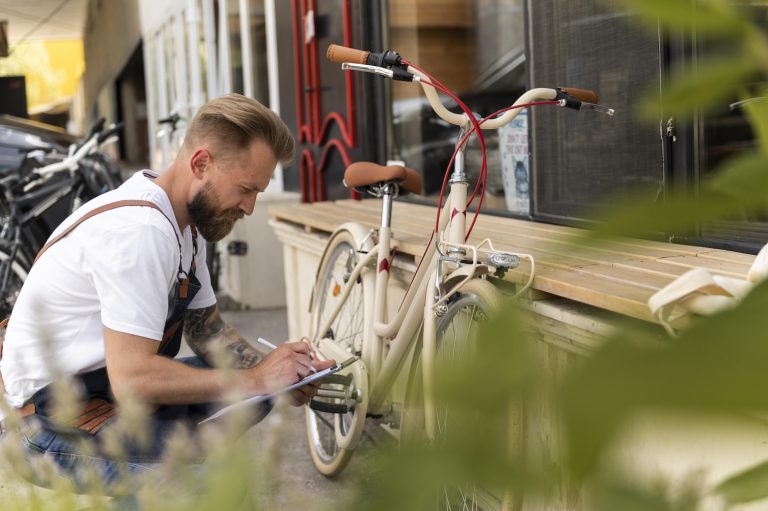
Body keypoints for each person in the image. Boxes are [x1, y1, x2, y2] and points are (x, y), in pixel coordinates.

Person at [0, 93, 335, 492]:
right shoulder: (140, 232)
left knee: (256, 393)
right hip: (47, 426)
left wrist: (280, 372)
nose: (249, 207)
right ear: (200, 164)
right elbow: (134, 380)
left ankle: (168, 462)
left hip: (101, 393)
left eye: (258, 192)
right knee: (213, 482)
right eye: (246, 189)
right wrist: (258, 378)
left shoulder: (188, 225)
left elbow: (207, 332)